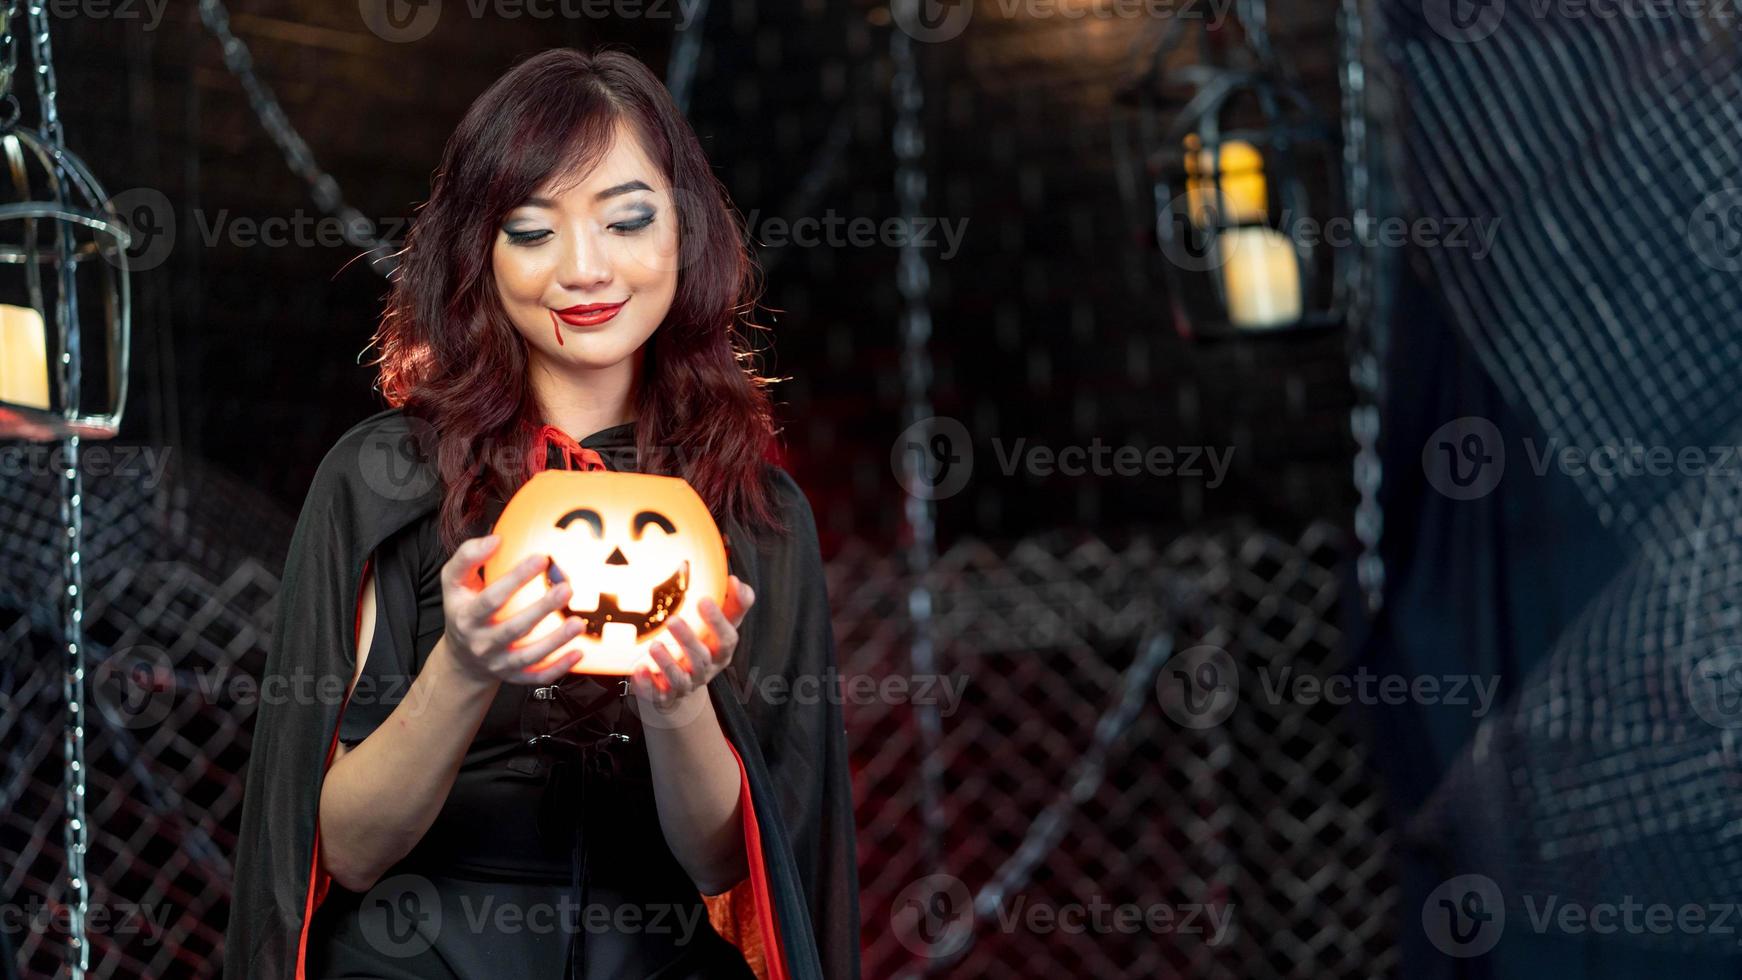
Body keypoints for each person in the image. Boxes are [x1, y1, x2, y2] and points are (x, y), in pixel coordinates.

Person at [224, 47, 859, 980]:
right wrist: (464, 667)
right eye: (532, 231)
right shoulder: (386, 480)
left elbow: (733, 870)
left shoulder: (756, 513)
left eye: (627, 220)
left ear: (686, 231)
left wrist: (678, 706)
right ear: (480, 253)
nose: (584, 269)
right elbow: (347, 851)